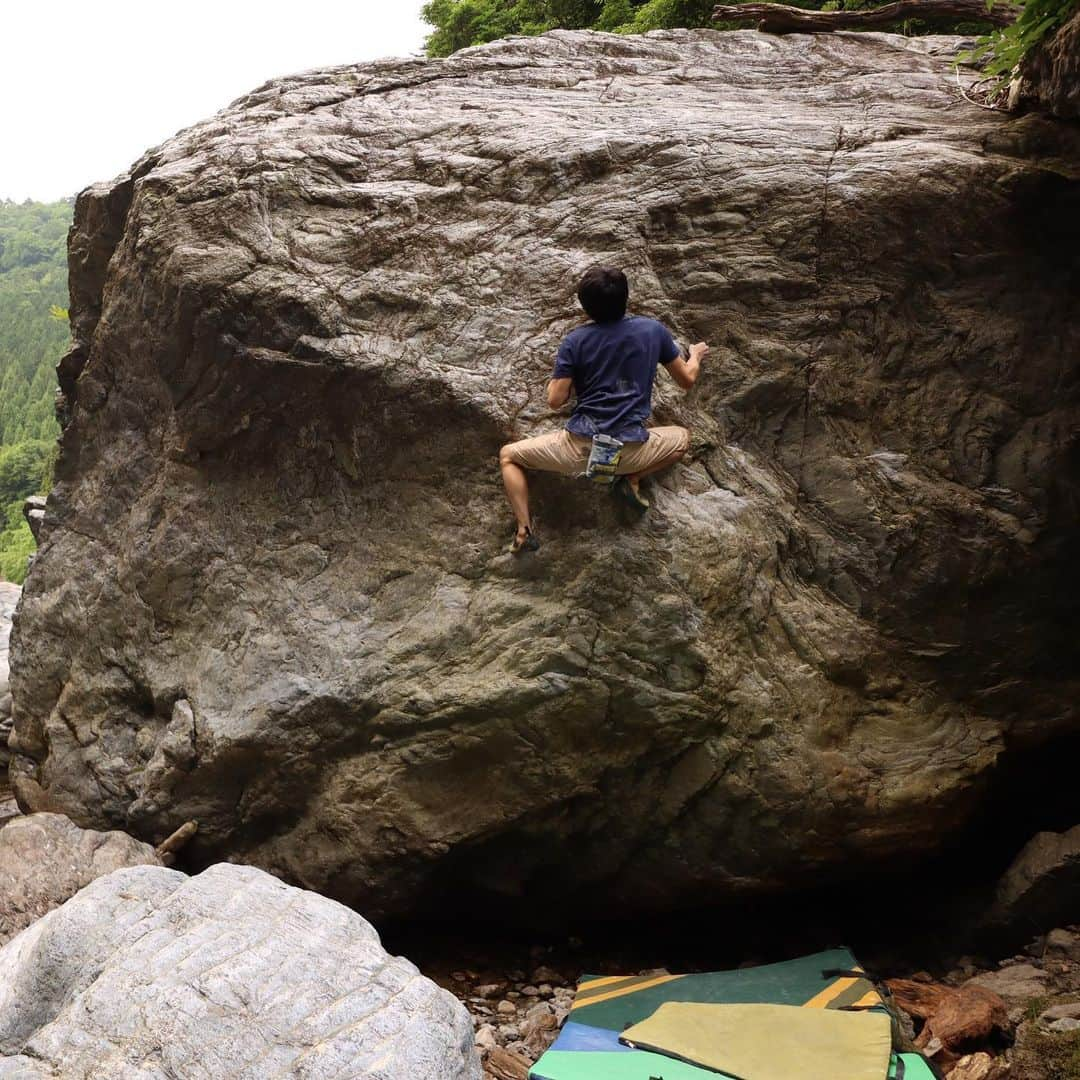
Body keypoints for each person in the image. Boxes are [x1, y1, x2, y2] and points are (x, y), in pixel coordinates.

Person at [500, 266, 708, 553]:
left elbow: (554, 400)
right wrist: (695, 355)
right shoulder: (652, 331)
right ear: (626, 298)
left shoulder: (576, 341)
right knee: (682, 438)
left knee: (509, 456)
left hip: (578, 450)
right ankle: (631, 479)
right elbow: (686, 380)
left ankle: (524, 531)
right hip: (632, 450)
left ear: (585, 306)